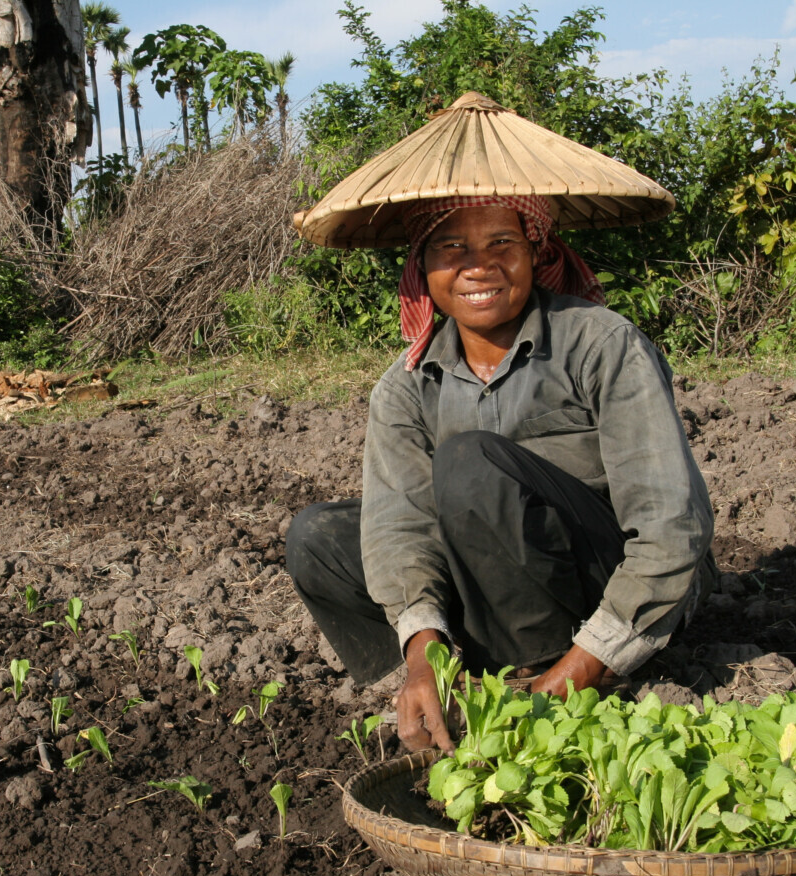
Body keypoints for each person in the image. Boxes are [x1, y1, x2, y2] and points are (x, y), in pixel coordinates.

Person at [286, 162, 716, 753]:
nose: (478, 267)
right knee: (320, 538)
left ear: (535, 252)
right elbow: (400, 528)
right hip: (493, 585)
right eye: (452, 247)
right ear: (423, 265)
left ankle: (553, 674)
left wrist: (579, 669)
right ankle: (449, 686)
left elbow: (671, 525)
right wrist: (424, 657)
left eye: (501, 244)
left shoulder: (601, 345)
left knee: (470, 464)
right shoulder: (405, 387)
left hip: (602, 580)